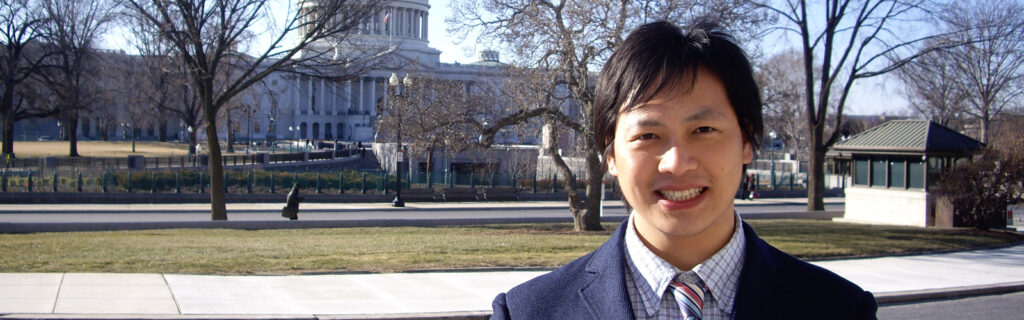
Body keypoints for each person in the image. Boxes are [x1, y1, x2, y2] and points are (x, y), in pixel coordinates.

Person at [490, 19, 876, 320]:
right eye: (648, 135)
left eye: (703, 130)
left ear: (747, 140)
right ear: (609, 154)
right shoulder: (529, 312)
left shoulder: (838, 309)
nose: (676, 162)